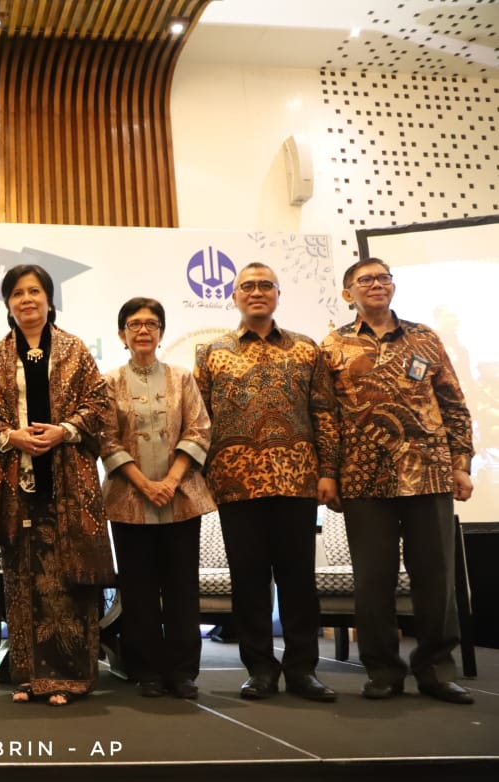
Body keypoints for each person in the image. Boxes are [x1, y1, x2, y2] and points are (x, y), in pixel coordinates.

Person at [321, 258, 475, 704]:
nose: (376, 284)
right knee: (373, 580)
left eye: (383, 277)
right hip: (365, 479)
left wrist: (461, 463)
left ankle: (436, 669)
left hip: (428, 473)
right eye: (364, 279)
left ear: (393, 286)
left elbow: (454, 405)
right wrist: (328, 473)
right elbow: (327, 418)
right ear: (348, 292)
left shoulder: (425, 337)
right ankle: (383, 671)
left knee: (436, 577)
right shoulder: (333, 346)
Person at [194, 262, 339, 702]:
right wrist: (203, 480)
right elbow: (200, 421)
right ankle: (259, 669)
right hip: (236, 485)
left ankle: (302, 671)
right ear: (234, 297)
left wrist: (329, 471)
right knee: (249, 583)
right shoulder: (211, 352)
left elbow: (325, 415)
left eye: (265, 286)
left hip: (297, 482)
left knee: (298, 583)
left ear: (277, 294)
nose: (256, 292)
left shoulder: (306, 349)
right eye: (247, 287)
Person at [0, 264, 113, 707]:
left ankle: (71, 679)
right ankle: (28, 677)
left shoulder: (75, 350)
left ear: (50, 299)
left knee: (71, 581)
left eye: (35, 291)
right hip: (18, 485)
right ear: (8, 304)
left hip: (70, 485)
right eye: (17, 293)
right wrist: (10, 437)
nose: (27, 300)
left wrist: (65, 430)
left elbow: (99, 403)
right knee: (22, 579)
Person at [100, 297, 216, 699]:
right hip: (128, 500)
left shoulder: (182, 378)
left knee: (182, 587)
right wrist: (144, 483)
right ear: (122, 334)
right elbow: (105, 438)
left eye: (151, 323)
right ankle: (146, 669)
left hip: (181, 498)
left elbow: (199, 430)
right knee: (138, 588)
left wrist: (170, 479)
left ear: (162, 333)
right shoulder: (108, 381)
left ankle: (183, 672)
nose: (143, 330)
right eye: (134, 324)